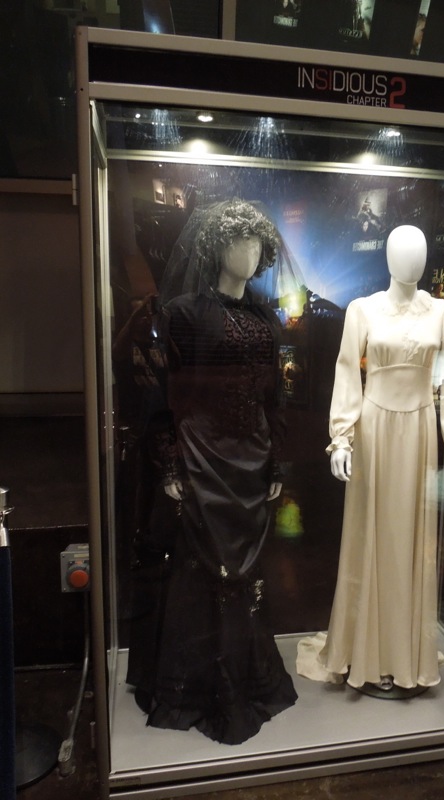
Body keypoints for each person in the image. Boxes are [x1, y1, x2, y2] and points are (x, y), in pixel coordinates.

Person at [129, 199, 297, 745]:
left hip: (251, 459)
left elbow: (273, 397)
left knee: (244, 576)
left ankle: (244, 675)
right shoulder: (182, 314)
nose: (249, 252)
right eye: (238, 241)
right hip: (202, 457)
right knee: (198, 570)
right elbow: (163, 395)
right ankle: (196, 685)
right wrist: (169, 460)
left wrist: (277, 458)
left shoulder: (266, 319)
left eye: (256, 243)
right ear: (216, 247)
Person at [297, 225, 444, 695]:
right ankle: (366, 650)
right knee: (369, 535)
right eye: (402, 251)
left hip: (420, 432)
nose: (411, 260)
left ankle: (404, 653)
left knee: (413, 539)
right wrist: (341, 437)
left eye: (418, 252)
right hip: (374, 430)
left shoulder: (442, 312)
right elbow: (346, 374)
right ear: (389, 258)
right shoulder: (363, 309)